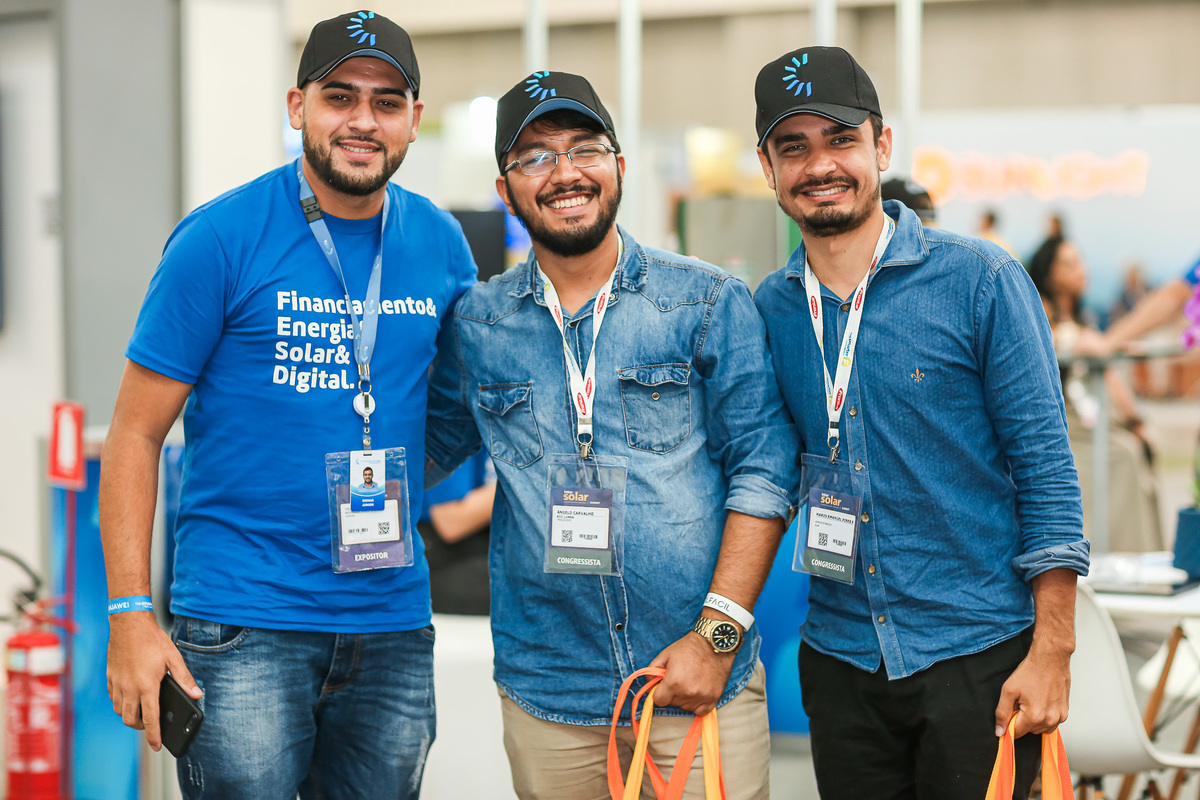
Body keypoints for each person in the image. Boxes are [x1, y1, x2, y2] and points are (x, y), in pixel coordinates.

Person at [99, 11, 476, 799]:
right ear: (298, 105)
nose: (363, 120)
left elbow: (454, 404)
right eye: (341, 97)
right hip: (244, 623)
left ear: (413, 118)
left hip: (391, 624)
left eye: (387, 102)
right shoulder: (220, 237)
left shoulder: (441, 243)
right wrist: (130, 614)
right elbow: (134, 433)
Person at [425, 71, 798, 799]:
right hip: (548, 693)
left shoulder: (704, 301)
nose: (565, 173)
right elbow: (427, 448)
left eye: (585, 149)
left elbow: (765, 468)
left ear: (619, 166)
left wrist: (717, 639)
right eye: (535, 157)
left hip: (695, 678)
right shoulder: (478, 324)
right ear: (505, 189)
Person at [751, 46, 1088, 799]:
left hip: (978, 653)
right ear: (768, 167)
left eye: (840, 139)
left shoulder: (981, 281)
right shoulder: (769, 310)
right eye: (793, 147)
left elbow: (1046, 471)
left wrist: (1053, 650)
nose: (820, 165)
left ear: (881, 146)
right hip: (840, 660)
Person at [1027, 236, 1162, 551]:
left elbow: (1107, 369)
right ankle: (1123, 550)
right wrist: (1080, 340)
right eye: (1068, 264)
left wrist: (1134, 419)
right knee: (1126, 453)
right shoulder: (1040, 311)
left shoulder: (1080, 316)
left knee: (1141, 445)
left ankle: (1137, 548)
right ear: (1049, 273)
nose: (1081, 270)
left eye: (1080, 261)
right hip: (1063, 421)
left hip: (1092, 415)